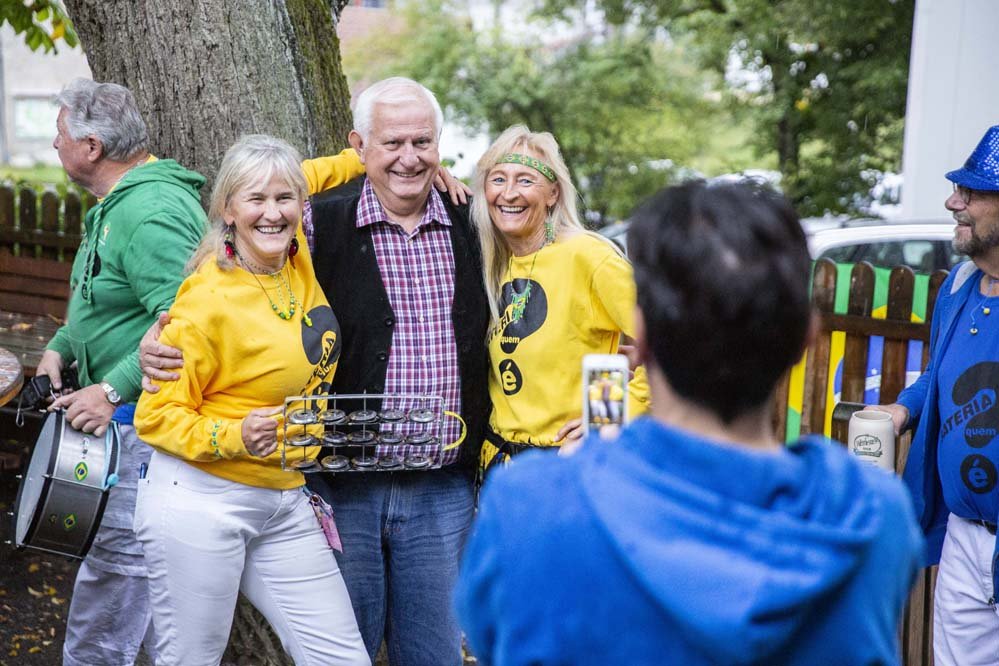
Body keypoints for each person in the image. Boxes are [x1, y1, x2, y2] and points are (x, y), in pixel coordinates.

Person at [455, 180, 924, 665]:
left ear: (640, 333)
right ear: (807, 338)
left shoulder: (530, 506)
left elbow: (490, 635)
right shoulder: (873, 518)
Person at [132, 135, 369, 665]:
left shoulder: (292, 253)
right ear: (228, 210)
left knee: (342, 658)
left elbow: (319, 173)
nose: (273, 212)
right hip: (202, 500)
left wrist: (387, 159)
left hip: (283, 496)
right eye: (255, 199)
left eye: (285, 199)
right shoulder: (207, 299)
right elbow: (156, 416)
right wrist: (235, 434)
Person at [297, 77, 490, 666]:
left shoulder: (474, 223)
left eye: (422, 142)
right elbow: (235, 252)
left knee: (433, 653)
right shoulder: (318, 222)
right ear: (359, 147)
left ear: (439, 146)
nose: (409, 158)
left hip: (442, 490)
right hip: (341, 485)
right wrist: (166, 329)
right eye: (393, 143)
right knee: (341, 653)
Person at [36, 79, 207, 666]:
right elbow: (106, 298)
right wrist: (61, 346)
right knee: (134, 594)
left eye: (60, 134)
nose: (54, 144)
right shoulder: (119, 201)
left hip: (143, 428)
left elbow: (184, 323)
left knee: (116, 588)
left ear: (91, 147)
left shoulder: (150, 211)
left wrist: (112, 390)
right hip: (126, 426)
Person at [866, 125, 999, 666]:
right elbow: (938, 374)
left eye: (970, 192)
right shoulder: (959, 286)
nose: (952, 202)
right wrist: (904, 408)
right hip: (965, 536)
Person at [471, 125, 648, 470]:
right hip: (501, 465)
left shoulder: (587, 256)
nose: (509, 193)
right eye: (498, 179)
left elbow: (674, 344)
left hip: (570, 464)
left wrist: (608, 417)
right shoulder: (495, 260)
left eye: (525, 180)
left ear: (553, 193)